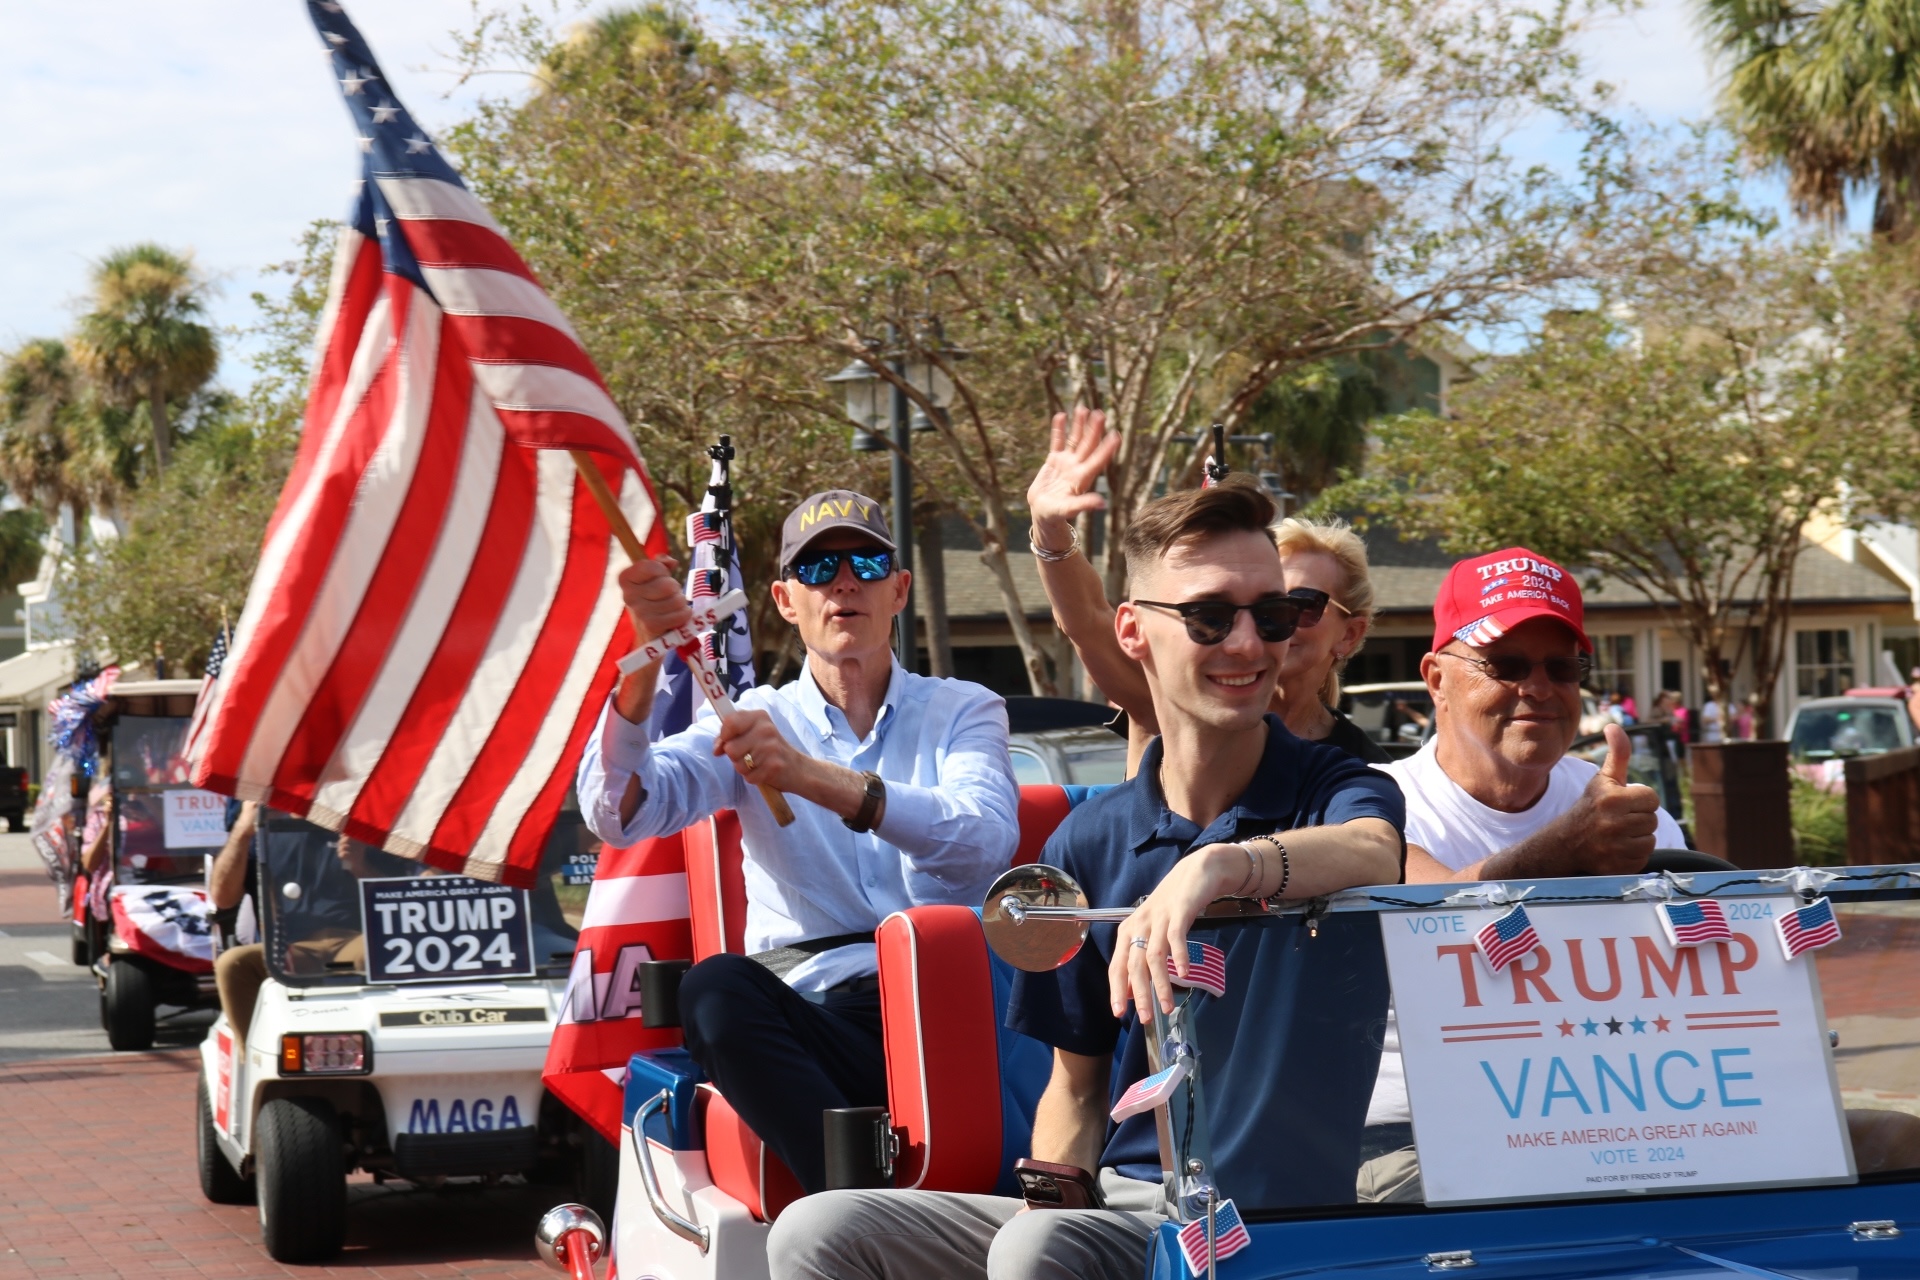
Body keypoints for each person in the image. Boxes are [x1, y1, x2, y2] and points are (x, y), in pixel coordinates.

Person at [771, 478, 1405, 1280]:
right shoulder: (1090, 838)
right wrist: (1052, 1204)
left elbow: (1373, 849)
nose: (1249, 644)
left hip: (1264, 1227)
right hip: (1120, 1215)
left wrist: (1217, 868)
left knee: (1039, 1247)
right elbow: (1075, 1089)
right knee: (818, 1230)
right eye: (1211, 617)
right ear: (1134, 631)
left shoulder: (1336, 786)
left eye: (1272, 615)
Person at [578, 490, 1020, 1195]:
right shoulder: (753, 718)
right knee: (714, 988)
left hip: (952, 1016)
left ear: (899, 589)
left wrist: (813, 778)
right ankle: (860, 1211)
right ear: (786, 600)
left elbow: (982, 843)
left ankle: (870, 1219)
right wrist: (640, 676)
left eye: (866, 562)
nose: (844, 582)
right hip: (817, 1022)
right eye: (817, 569)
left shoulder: (964, 708)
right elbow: (620, 814)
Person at [1356, 546, 1687, 1203]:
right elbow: (1445, 921)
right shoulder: (1365, 804)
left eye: (1561, 667)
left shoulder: (1624, 811)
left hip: (1615, 1119)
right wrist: (1567, 847)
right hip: (1410, 1134)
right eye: (1506, 665)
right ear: (1436, 679)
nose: (1538, 687)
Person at [1027, 405, 1386, 769]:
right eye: (1217, 610)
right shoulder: (1173, 695)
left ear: (1350, 634)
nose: (1250, 632)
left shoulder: (1366, 771)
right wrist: (1049, 531)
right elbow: (1086, 618)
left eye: (1297, 605)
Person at [208, 801, 265, 1043]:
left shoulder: (342, 805)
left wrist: (359, 861)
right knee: (231, 964)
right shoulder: (259, 826)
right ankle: (249, 1063)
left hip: (350, 938)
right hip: (281, 950)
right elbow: (222, 896)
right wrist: (242, 830)